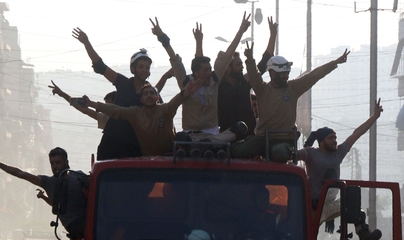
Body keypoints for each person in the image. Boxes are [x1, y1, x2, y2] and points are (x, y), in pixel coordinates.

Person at [232, 43, 350, 162]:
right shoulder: (262, 89)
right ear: (272, 73)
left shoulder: (293, 88)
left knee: (279, 153)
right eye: (282, 73)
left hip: (284, 140)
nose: (286, 76)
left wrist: (334, 63)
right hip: (262, 138)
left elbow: (314, 76)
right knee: (237, 151)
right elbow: (254, 75)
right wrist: (250, 59)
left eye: (287, 73)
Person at [150, 16, 250, 146]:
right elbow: (174, 59)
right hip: (190, 135)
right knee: (180, 138)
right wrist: (161, 35)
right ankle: (206, 145)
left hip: (212, 134)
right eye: (205, 70)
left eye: (210, 69)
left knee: (241, 127)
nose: (209, 73)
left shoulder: (215, 79)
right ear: (196, 72)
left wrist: (241, 31)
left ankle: (207, 144)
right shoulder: (186, 82)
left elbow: (227, 54)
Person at [296, 99, 384, 240]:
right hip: (312, 206)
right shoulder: (310, 153)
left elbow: (356, 134)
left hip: (328, 205)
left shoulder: (338, 153)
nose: (335, 141)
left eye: (335, 138)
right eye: (331, 138)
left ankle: (363, 233)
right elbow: (291, 156)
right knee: (307, 238)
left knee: (356, 210)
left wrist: (374, 117)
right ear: (321, 142)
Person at [73, 27, 153, 160]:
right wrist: (86, 43)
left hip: (134, 145)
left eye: (147, 68)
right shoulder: (124, 83)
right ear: (133, 69)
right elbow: (100, 66)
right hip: (112, 139)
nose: (144, 70)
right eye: (141, 67)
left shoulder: (150, 93)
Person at [0, 146, 87, 240]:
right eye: (52, 163)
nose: (55, 166)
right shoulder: (49, 182)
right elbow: (20, 173)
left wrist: (43, 197)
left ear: (66, 162)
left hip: (89, 217)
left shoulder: (78, 176)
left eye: (58, 162)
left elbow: (56, 203)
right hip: (76, 225)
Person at [82, 79, 203, 156]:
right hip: (146, 160)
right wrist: (93, 104)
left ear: (157, 98)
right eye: (145, 94)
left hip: (169, 157)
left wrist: (186, 92)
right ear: (141, 99)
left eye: (152, 93)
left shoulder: (165, 110)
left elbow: (176, 101)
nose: (149, 96)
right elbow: (116, 111)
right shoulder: (135, 113)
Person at [217, 17, 278, 134]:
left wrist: (273, 35)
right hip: (225, 134)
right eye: (238, 65)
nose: (242, 67)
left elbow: (265, 61)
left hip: (248, 134)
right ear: (228, 69)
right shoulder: (218, 85)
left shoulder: (244, 81)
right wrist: (241, 31)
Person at [49, 81, 116, 129]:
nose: (105, 109)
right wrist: (62, 94)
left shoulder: (124, 119)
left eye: (108, 106)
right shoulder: (105, 119)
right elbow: (84, 110)